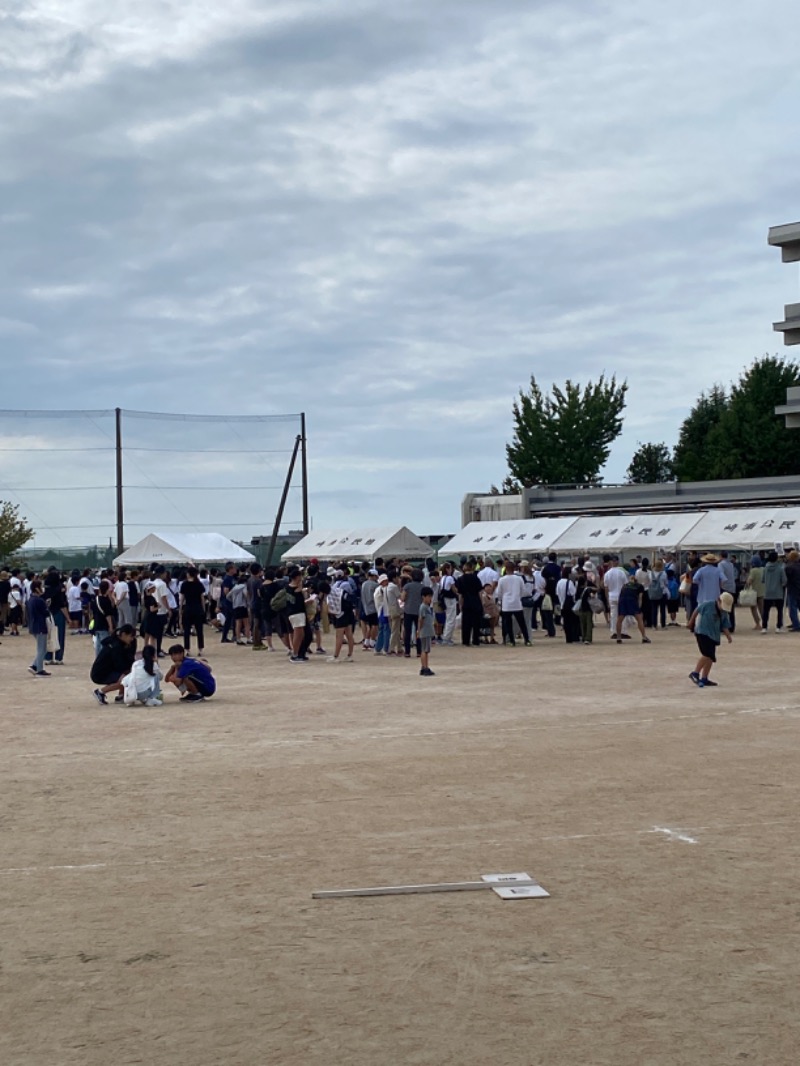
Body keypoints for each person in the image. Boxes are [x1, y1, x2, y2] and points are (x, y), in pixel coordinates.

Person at [688, 591, 733, 688]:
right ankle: (695, 673)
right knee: (707, 654)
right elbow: (697, 610)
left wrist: (728, 636)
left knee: (711, 657)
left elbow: (724, 625)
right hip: (702, 633)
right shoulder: (707, 605)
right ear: (718, 600)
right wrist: (691, 621)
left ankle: (705, 678)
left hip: (714, 636)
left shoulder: (724, 613)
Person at [91, 624, 137, 704]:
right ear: (123, 635)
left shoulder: (129, 643)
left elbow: (130, 658)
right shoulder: (114, 645)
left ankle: (121, 696)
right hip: (101, 672)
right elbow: (120, 665)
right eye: (131, 636)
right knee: (127, 679)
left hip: (112, 668)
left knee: (129, 674)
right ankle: (100, 692)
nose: (132, 639)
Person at [496, 560, 531, 647]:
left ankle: (511, 641)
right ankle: (527, 640)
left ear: (506, 569)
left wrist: (501, 600)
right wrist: (518, 596)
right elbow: (523, 591)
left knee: (508, 623)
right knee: (522, 623)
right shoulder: (519, 579)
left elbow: (499, 593)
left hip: (506, 604)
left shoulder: (502, 580)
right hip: (517, 603)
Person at [327, 569, 356, 663]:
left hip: (341, 613)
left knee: (339, 635)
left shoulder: (333, 587)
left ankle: (336, 656)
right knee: (349, 634)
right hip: (348, 611)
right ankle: (350, 655)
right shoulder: (345, 585)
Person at [613, 572, 651, 644]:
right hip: (632, 600)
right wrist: (639, 607)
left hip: (622, 600)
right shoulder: (640, 586)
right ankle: (644, 637)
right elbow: (640, 597)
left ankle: (618, 637)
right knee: (639, 619)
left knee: (620, 619)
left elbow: (620, 595)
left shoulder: (625, 585)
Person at [180, 566, 207, 653]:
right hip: (197, 608)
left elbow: (182, 598)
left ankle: (187, 649)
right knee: (199, 629)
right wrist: (204, 609)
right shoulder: (199, 584)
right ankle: (200, 649)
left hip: (188, 608)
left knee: (186, 630)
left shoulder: (184, 584)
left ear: (188, 574)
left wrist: (180, 609)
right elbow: (202, 598)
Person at [456, 561, 483, 647]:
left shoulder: (460, 579)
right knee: (476, 622)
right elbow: (480, 592)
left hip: (466, 601)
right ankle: (476, 640)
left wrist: (460, 605)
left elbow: (460, 594)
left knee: (466, 623)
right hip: (476, 601)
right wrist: (481, 603)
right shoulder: (476, 578)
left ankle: (466, 640)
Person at [27, 579, 50, 676]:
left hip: (33, 626)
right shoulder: (39, 600)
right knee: (42, 649)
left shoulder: (30, 599)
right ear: (37, 588)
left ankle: (35, 665)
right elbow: (45, 613)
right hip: (40, 626)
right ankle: (39, 669)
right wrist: (47, 605)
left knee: (42, 648)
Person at [761, 550, 787, 633]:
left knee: (766, 611)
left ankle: (764, 627)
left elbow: (763, 580)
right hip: (778, 592)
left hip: (767, 592)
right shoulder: (780, 569)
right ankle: (778, 627)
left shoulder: (765, 568)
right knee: (779, 611)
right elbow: (784, 581)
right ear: (776, 559)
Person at [603, 556, 628, 638]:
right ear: (617, 562)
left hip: (611, 596)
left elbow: (606, 587)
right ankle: (623, 631)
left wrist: (607, 598)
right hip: (621, 595)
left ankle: (613, 631)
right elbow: (625, 585)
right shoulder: (622, 572)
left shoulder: (607, 573)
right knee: (622, 614)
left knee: (613, 615)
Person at [401, 569, 423, 658]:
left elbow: (402, 598)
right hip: (419, 611)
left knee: (408, 631)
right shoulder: (423, 587)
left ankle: (407, 652)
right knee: (419, 631)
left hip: (408, 610)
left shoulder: (407, 586)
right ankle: (419, 651)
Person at [418, 587, 436, 676]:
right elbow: (421, 620)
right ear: (423, 597)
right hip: (425, 631)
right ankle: (425, 667)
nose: (430, 599)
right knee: (424, 650)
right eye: (428, 596)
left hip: (427, 631)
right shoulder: (423, 607)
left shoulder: (426, 607)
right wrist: (419, 630)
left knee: (426, 650)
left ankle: (424, 666)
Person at [373, 572, 391, 655]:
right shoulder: (382, 589)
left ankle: (378, 648)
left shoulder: (377, 589)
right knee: (386, 630)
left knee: (381, 630)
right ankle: (385, 648)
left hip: (380, 612)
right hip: (384, 611)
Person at [784, 550, 800, 631]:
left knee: (792, 608)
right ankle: (796, 623)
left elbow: (786, 579)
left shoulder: (789, 567)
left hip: (792, 589)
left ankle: (796, 624)